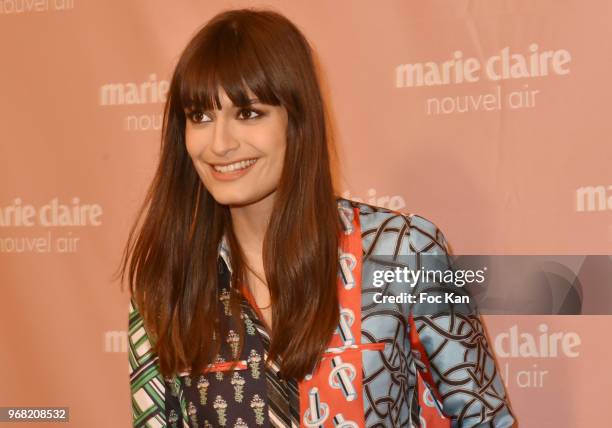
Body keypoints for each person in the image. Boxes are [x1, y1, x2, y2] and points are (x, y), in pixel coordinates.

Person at [117, 7, 517, 428]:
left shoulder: (406, 251)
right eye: (200, 116)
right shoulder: (165, 286)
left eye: (249, 113)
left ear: (298, 119)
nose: (219, 143)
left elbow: (487, 418)